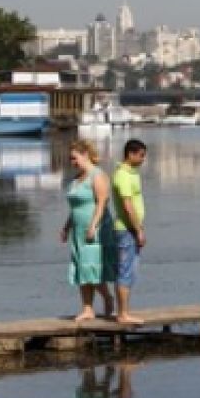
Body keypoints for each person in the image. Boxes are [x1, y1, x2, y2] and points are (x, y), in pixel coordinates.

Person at [61, 140, 115, 322]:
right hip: (78, 229)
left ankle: (107, 297)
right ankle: (87, 308)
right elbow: (74, 208)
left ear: (85, 154)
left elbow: (102, 202)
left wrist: (93, 225)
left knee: (91, 267)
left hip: (95, 228)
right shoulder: (76, 179)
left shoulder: (97, 175)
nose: (72, 162)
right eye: (71, 159)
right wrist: (66, 227)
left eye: (74, 158)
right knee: (81, 268)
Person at [111, 139, 148, 325]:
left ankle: (124, 312)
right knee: (125, 271)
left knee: (129, 271)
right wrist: (138, 230)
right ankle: (123, 314)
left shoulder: (132, 173)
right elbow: (127, 206)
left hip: (131, 229)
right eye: (141, 155)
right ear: (130, 154)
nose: (143, 159)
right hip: (127, 230)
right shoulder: (123, 175)